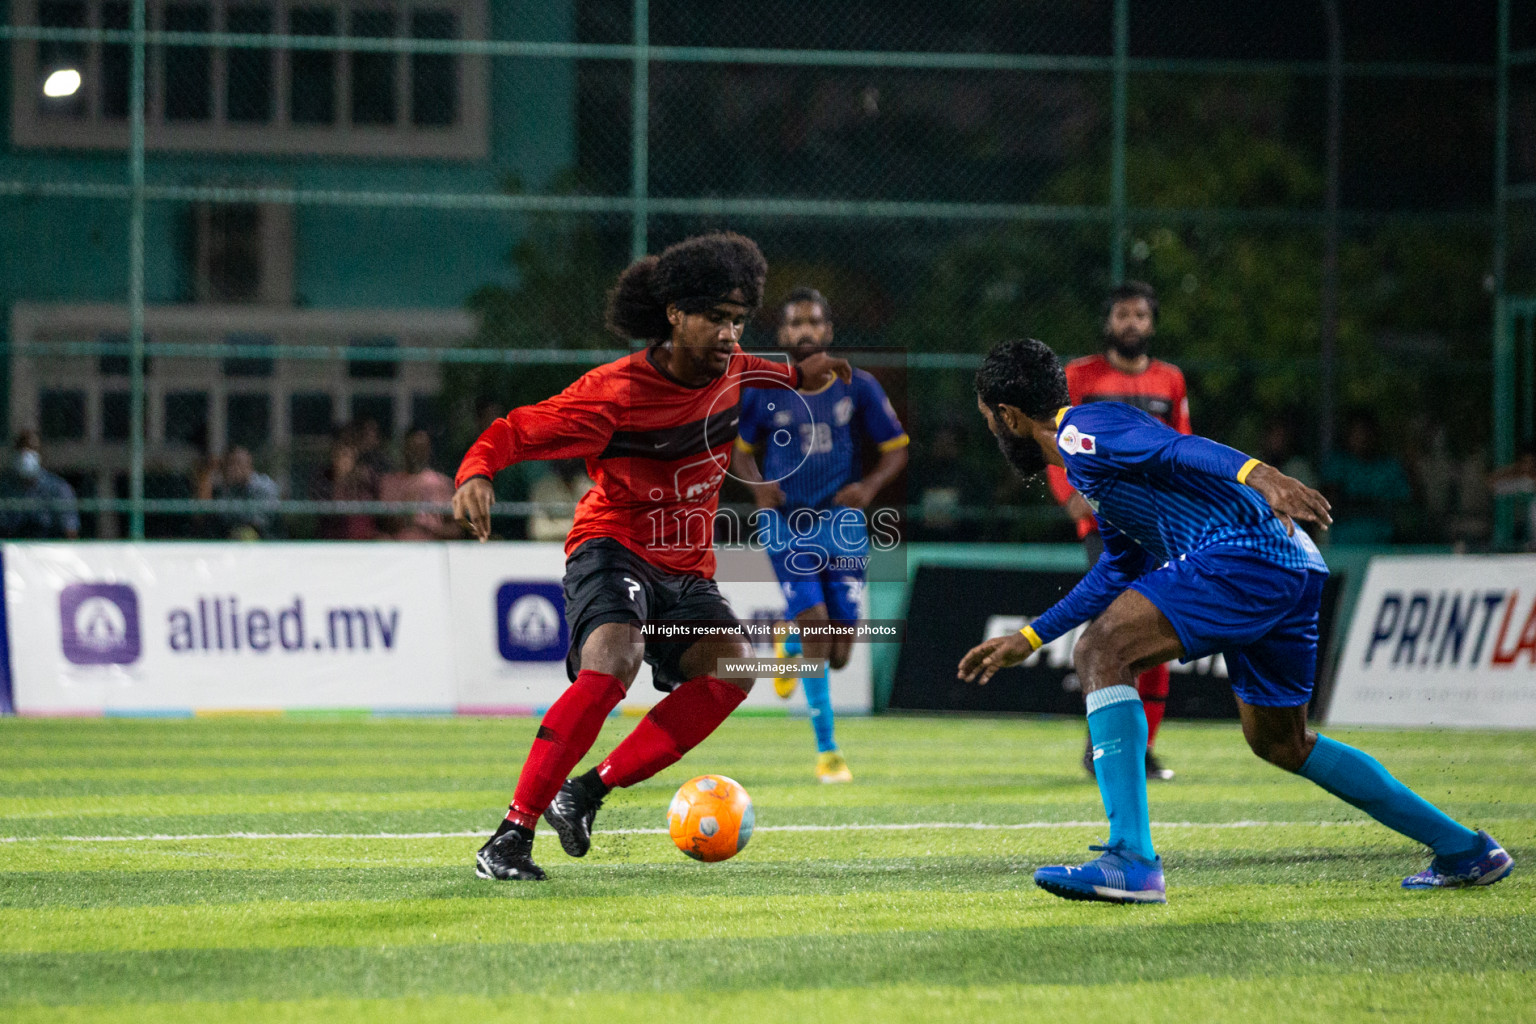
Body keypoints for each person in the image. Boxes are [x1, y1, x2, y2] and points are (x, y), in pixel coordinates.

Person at [958, 338, 1513, 904]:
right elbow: (1120, 566)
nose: (991, 430)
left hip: (1243, 554)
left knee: (1100, 653)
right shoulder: (1091, 462)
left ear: (1009, 416)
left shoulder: (1083, 433)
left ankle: (1131, 859)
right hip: (1290, 566)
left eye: (988, 419)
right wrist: (1028, 637)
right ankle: (1466, 849)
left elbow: (1180, 450)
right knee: (1282, 743)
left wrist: (1262, 474)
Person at [454, 233, 851, 881]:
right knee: (614, 661)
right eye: (716, 318)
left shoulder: (741, 373)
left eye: (737, 320)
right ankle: (509, 837)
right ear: (674, 314)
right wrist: (477, 470)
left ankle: (584, 793)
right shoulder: (615, 393)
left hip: (686, 570)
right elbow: (519, 429)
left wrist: (818, 376)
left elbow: (789, 376)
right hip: (610, 548)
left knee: (731, 673)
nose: (729, 334)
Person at [731, 287, 909, 783]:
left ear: (828, 330)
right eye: (794, 324)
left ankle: (786, 645)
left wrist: (870, 486)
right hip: (786, 522)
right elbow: (738, 450)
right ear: (782, 334)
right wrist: (758, 487)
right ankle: (828, 752)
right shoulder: (764, 388)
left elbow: (896, 449)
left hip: (841, 520)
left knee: (839, 652)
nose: (804, 331)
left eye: (813, 323)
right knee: (817, 633)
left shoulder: (859, 386)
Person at [1045, 282, 1187, 781]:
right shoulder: (1079, 376)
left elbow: (1182, 450)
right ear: (1108, 322)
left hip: (1160, 527)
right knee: (1113, 633)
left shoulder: (1170, 381)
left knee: (1158, 634)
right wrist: (1067, 495)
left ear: (1152, 323)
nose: (1131, 323)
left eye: (1140, 315)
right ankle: (1101, 747)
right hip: (1105, 528)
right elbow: (1055, 444)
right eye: (1123, 314)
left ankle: (1141, 748)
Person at [1319, 409, 1412, 545]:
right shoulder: (1338, 464)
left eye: (1366, 432)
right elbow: (1329, 504)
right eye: (1357, 432)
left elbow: (1403, 509)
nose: (1362, 437)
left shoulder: (1390, 467)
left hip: (1385, 545)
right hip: (1344, 546)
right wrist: (1373, 504)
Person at [379, 427, 458, 540]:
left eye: (421, 448)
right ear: (404, 449)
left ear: (428, 450)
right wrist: (406, 510)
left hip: (433, 550)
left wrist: (431, 529)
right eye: (412, 447)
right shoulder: (389, 482)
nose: (416, 453)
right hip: (398, 550)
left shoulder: (441, 483)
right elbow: (382, 525)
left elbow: (456, 529)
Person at [0, 430, 80, 539]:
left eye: (31, 449)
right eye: (22, 449)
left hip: (48, 550)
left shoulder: (59, 488)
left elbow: (70, 531)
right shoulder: (4, 489)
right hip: (12, 550)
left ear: (40, 454)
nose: (26, 454)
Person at [210, 446, 281, 540]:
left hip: (265, 536)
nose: (235, 468)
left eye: (239, 463)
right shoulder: (228, 488)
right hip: (233, 535)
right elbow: (222, 515)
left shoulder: (264, 486)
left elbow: (266, 517)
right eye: (231, 464)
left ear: (249, 464)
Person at [528, 459, 595, 542]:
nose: (568, 460)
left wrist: (558, 526)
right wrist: (573, 527)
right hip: (550, 549)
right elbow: (538, 529)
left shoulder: (591, 488)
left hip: (583, 548)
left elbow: (597, 527)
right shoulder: (543, 488)